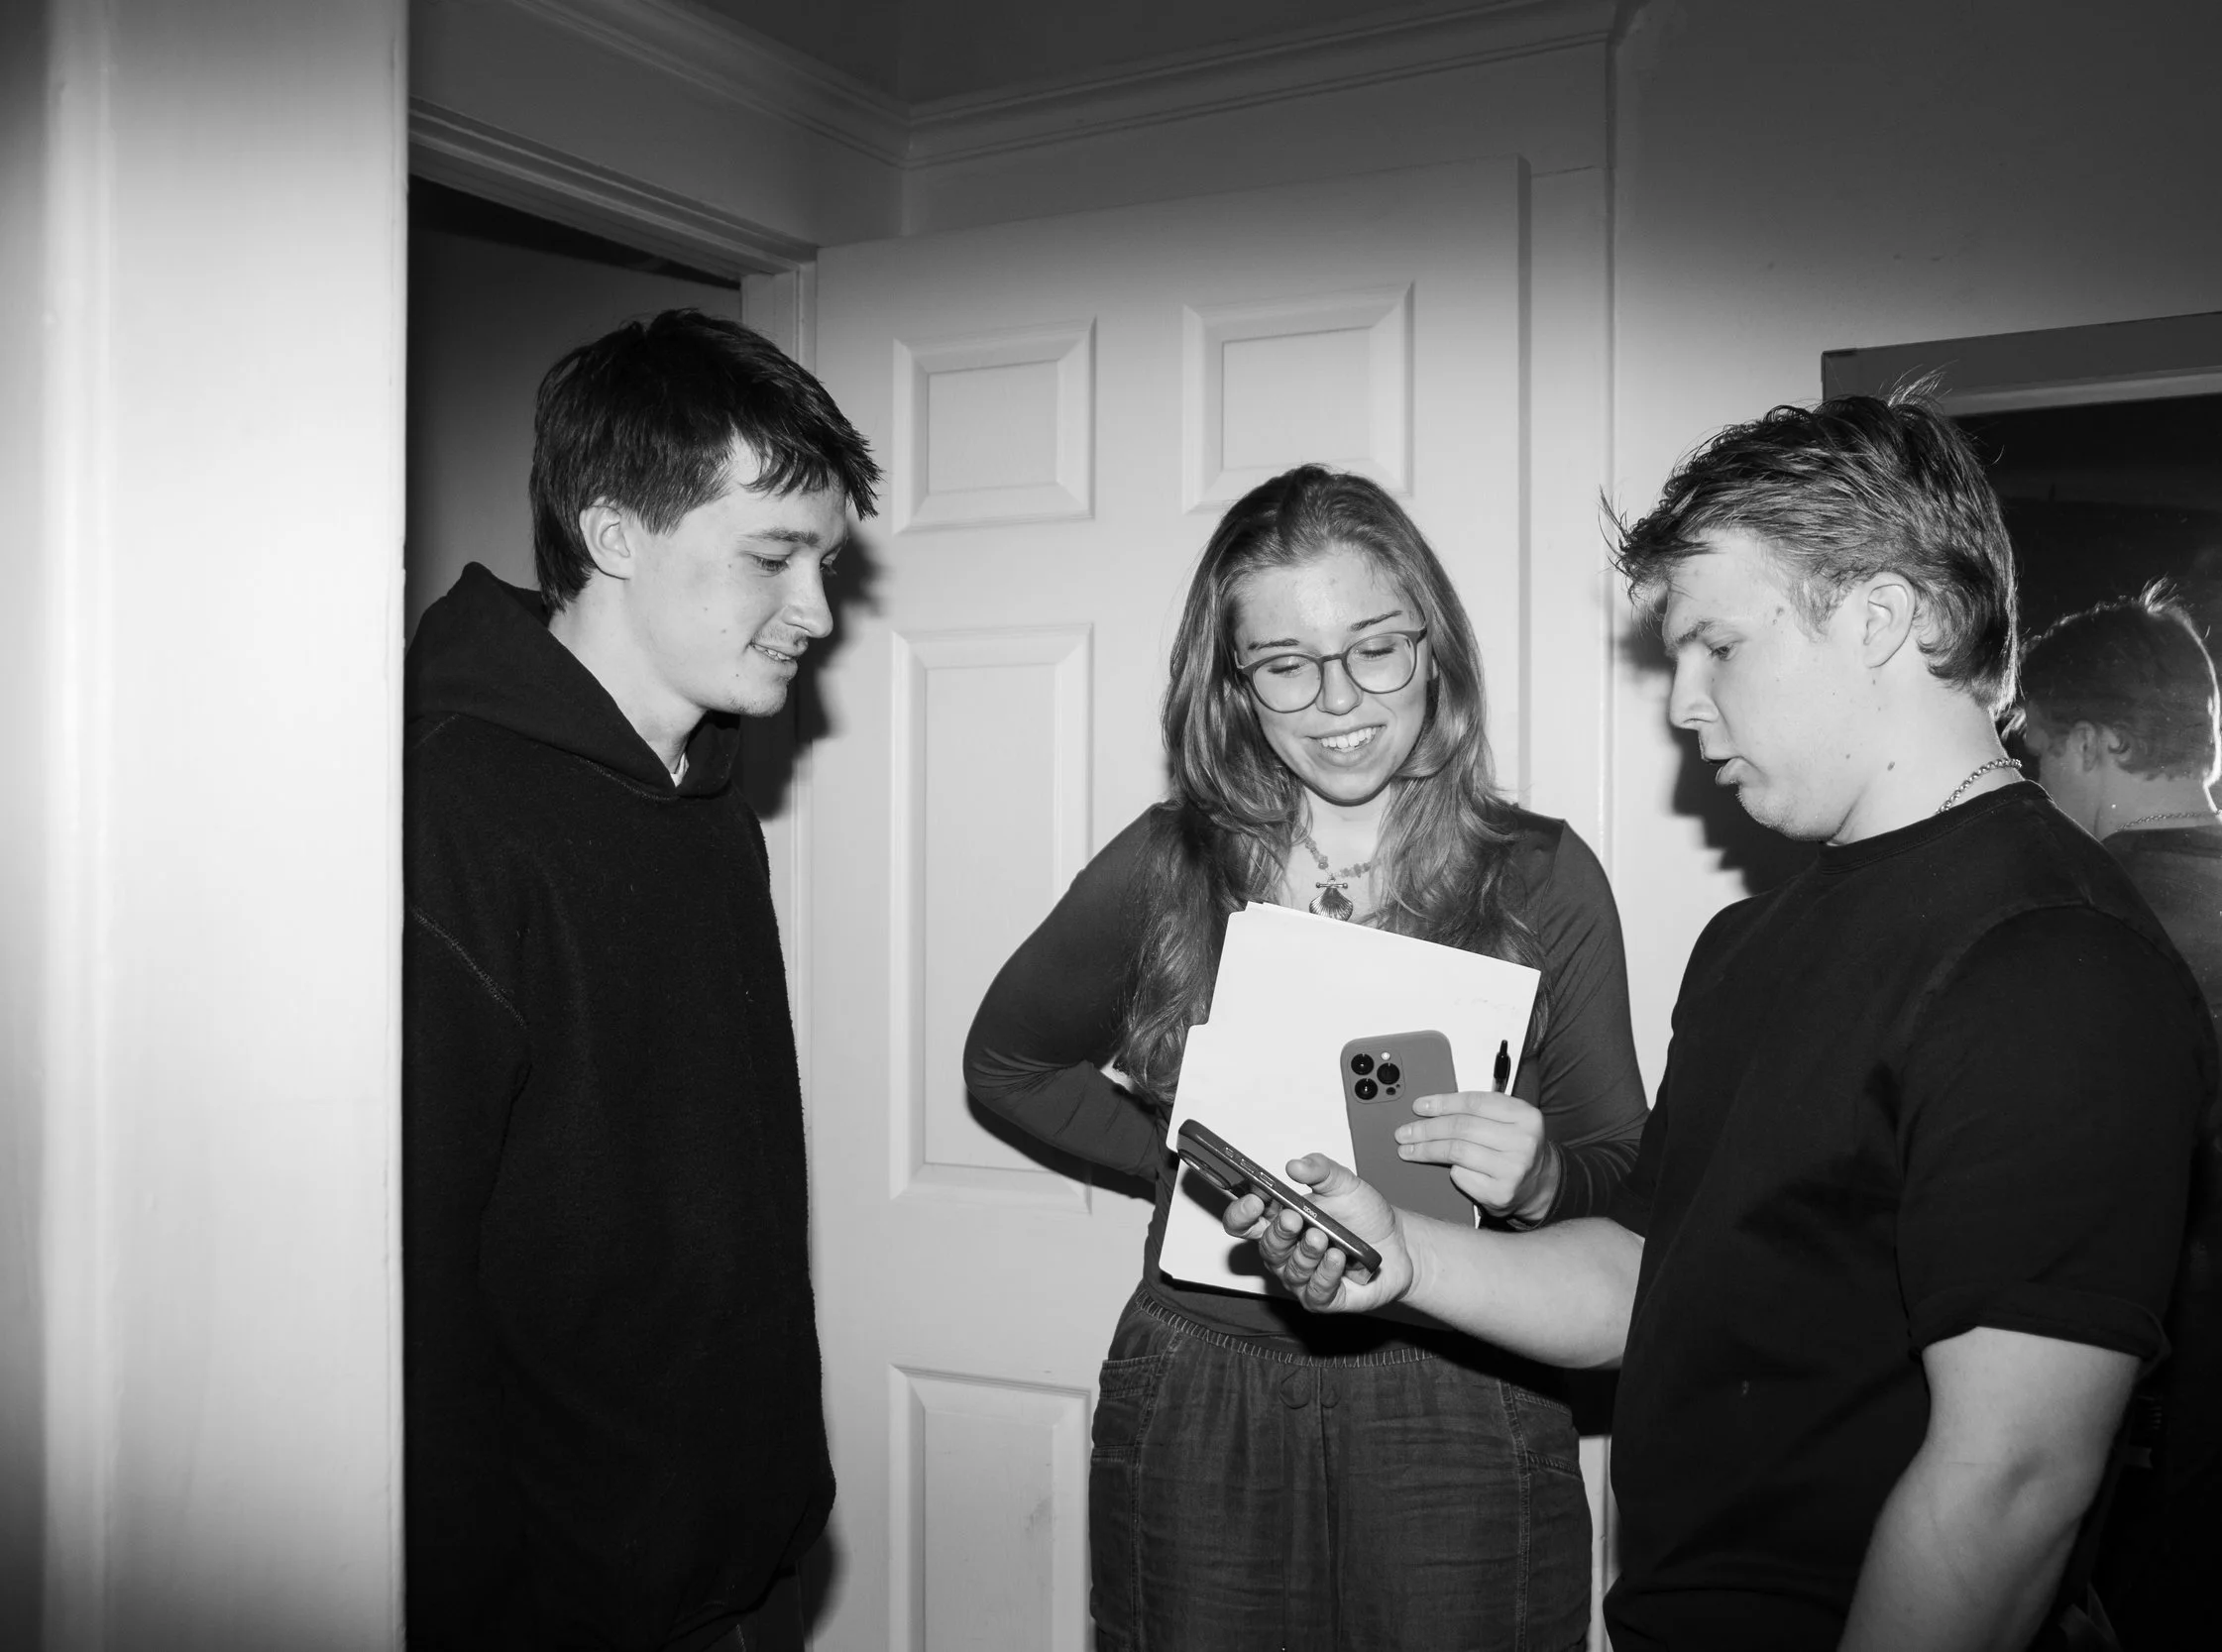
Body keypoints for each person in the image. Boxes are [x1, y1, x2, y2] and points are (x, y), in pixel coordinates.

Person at [1232, 396, 2216, 1651]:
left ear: (1879, 616)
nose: (1684, 705)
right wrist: (1406, 1259)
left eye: (1718, 647)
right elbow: (1654, 1275)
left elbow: (2009, 1486)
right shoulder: (1747, 942)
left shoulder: (2049, 960)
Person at [963, 465, 1648, 1652]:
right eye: (1285, 663)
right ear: (1231, 686)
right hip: (1205, 1372)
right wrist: (1187, 1169)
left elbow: (1625, 1171)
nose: (1339, 699)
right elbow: (1010, 1063)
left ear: (1431, 648)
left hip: (1465, 1380)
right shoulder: (1166, 863)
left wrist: (1541, 1183)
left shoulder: (1540, 874)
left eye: (1375, 648)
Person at [403, 309, 880, 1651]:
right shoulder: (444, 816)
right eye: (774, 555)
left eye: (827, 559)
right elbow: (413, 1298)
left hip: (748, 1555)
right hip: (560, 1602)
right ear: (614, 533)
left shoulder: (708, 790)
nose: (818, 611)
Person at [2018, 588, 2222, 1648]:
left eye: (2040, 755)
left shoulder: (2078, 911)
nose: (2036, 784)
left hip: (2127, 1357)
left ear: (2092, 743)